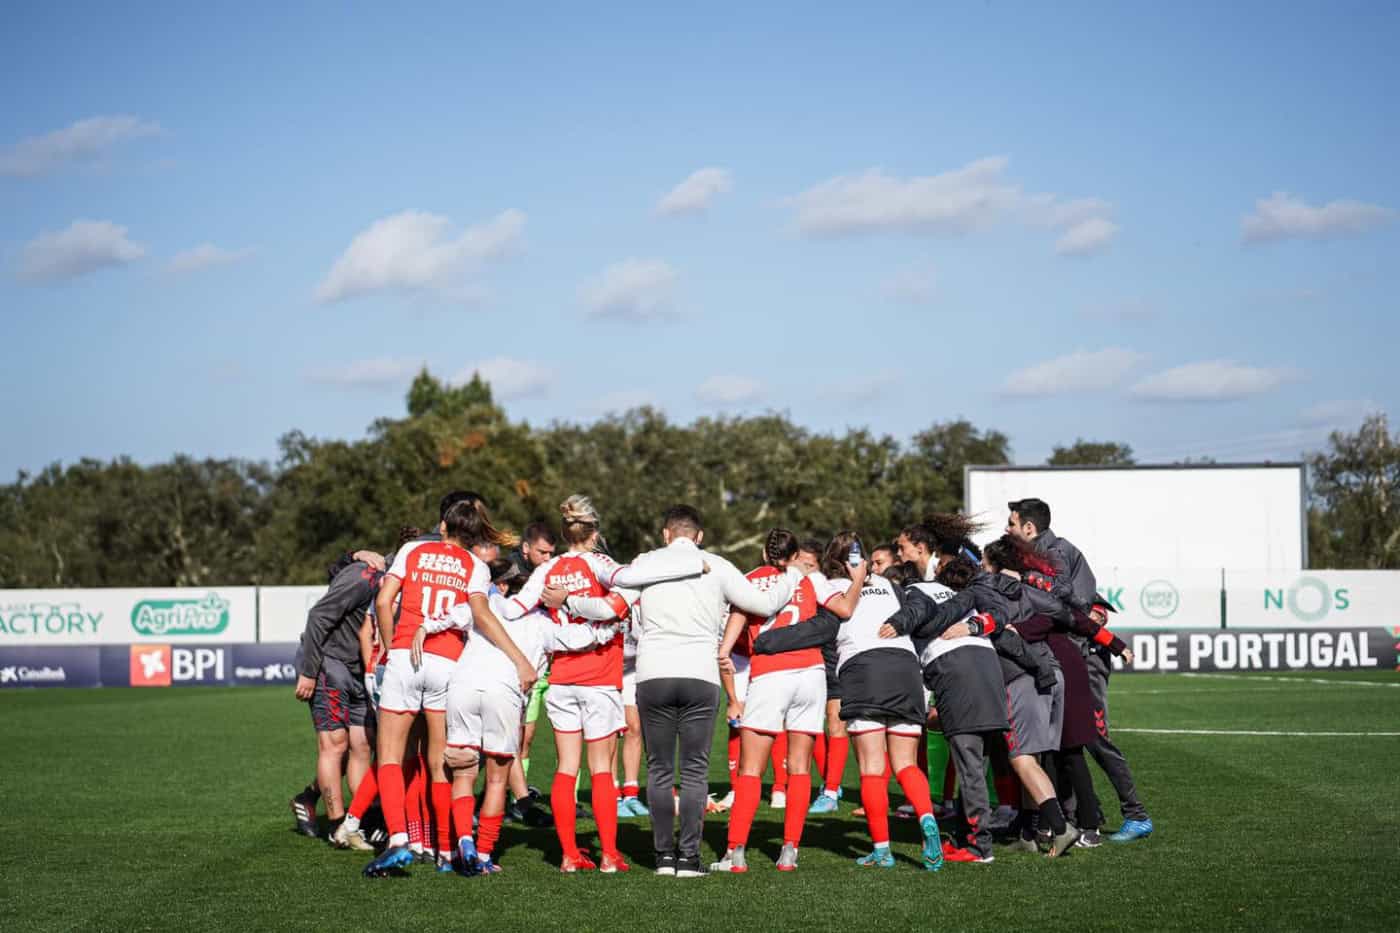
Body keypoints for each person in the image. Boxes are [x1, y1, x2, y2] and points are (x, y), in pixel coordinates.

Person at [568, 505, 798, 879]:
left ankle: (663, 857)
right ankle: (689, 858)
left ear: (665, 533)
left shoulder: (646, 563)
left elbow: (608, 608)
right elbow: (764, 603)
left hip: (653, 673)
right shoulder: (717, 565)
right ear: (699, 536)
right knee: (695, 770)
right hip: (700, 674)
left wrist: (567, 600)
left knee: (659, 769)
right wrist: (794, 575)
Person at [362, 501, 537, 878]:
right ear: (473, 537)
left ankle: (398, 839)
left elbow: (383, 600)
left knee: (390, 756)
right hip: (447, 664)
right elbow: (481, 614)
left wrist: (391, 648)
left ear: (443, 526)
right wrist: (519, 659)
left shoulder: (412, 550)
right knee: (440, 763)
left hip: (405, 657)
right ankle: (444, 850)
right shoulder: (475, 566)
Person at [753, 532, 943, 872]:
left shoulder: (830, 588)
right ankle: (927, 817)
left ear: (831, 560)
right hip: (905, 668)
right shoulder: (889, 585)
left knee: (872, 767)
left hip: (864, 669)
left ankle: (882, 850)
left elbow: (819, 629)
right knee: (906, 764)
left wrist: (767, 641)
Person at [425, 557, 621, 876]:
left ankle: (461, 842)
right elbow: (581, 638)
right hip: (503, 690)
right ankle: (484, 855)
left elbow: (445, 616)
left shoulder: (485, 606)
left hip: (462, 685)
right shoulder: (543, 623)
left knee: (463, 773)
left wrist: (423, 628)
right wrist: (612, 624)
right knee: (496, 779)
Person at [1006, 499, 1153, 842]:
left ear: (1029, 527)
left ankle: (1135, 814)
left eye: (1011, 523)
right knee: (1061, 742)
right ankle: (1075, 818)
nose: (1006, 529)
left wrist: (1025, 581)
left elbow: (1072, 601)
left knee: (1093, 739)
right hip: (1064, 655)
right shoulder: (1033, 555)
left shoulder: (1057, 552)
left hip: (1083, 657)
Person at [501, 495, 632, 873]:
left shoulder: (548, 568)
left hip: (561, 678)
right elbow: (622, 598)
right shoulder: (602, 563)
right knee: (601, 768)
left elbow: (512, 609)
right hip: (600, 676)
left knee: (566, 767)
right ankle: (609, 854)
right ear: (594, 533)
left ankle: (569, 855)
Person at [712, 529, 846, 873]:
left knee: (751, 769)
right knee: (799, 767)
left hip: (771, 673)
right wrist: (858, 578)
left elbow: (733, 630)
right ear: (796, 554)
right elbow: (843, 609)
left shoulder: (751, 579)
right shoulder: (810, 578)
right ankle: (789, 852)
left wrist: (724, 653)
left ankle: (735, 853)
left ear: (763, 552)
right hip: (812, 674)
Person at [292, 549, 386, 849]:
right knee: (335, 745)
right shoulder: (364, 576)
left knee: (363, 745)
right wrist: (309, 672)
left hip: (361, 670)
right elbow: (318, 616)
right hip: (328, 664)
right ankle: (336, 825)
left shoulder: (400, 580)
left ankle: (359, 820)